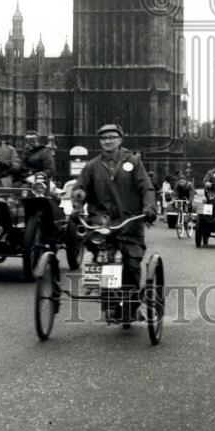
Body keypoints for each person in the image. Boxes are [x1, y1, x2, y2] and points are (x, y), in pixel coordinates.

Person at [71, 124, 156, 325]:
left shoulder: (133, 162)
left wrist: (149, 208)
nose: (108, 141)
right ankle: (108, 299)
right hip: (101, 222)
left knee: (132, 264)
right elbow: (79, 188)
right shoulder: (92, 166)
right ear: (100, 142)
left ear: (120, 140)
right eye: (104, 138)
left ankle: (131, 306)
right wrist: (77, 201)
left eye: (112, 137)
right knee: (101, 257)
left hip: (129, 223)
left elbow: (146, 188)